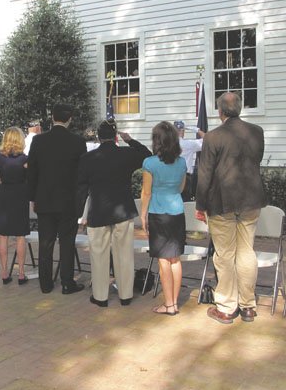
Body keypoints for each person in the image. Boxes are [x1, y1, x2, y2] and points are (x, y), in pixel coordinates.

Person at [196, 91, 266, 325]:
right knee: (247, 251)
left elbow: (204, 173)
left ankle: (227, 306)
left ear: (220, 111)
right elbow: (256, 160)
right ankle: (248, 305)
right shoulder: (257, 132)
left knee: (225, 254)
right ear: (240, 108)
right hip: (251, 199)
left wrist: (200, 204)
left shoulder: (213, 137)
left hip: (221, 201)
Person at [77, 120, 151, 307]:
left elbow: (81, 187)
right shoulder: (125, 154)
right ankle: (125, 295)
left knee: (98, 255)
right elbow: (147, 156)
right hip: (122, 210)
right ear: (116, 136)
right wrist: (131, 140)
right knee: (124, 254)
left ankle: (100, 296)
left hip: (98, 211)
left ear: (98, 137)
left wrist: (80, 214)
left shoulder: (88, 158)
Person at [27, 104, 86, 294]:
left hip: (44, 199)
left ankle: (45, 283)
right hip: (68, 201)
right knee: (67, 242)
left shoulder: (38, 140)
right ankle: (67, 282)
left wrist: (32, 197)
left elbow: (32, 172)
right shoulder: (77, 142)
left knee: (46, 242)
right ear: (69, 119)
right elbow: (81, 176)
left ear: (52, 118)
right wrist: (81, 200)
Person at [140, 121, 187, 316]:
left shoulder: (149, 163)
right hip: (177, 211)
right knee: (175, 258)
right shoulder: (182, 162)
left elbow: (147, 192)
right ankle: (173, 303)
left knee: (163, 261)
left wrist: (143, 214)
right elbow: (181, 188)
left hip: (159, 213)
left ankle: (168, 305)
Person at [0, 127, 30, 285]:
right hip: (20, 196)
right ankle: (21, 273)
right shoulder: (25, 159)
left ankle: (4, 272)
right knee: (20, 236)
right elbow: (29, 180)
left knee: (3, 235)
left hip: (5, 196)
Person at [173, 120, 205, 201]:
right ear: (183, 131)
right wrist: (197, 130)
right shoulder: (188, 144)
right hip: (185, 177)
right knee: (185, 203)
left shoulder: (167, 144)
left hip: (170, 176)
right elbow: (207, 140)